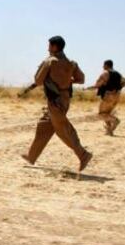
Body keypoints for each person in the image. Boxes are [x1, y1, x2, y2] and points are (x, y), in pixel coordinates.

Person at [19, 35, 92, 171]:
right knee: (44, 126)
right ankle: (31, 156)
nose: (48, 48)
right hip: (64, 98)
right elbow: (81, 79)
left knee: (63, 129)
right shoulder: (72, 63)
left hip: (54, 101)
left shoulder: (50, 61)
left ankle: (83, 155)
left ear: (55, 47)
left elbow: (38, 80)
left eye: (49, 46)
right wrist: (67, 80)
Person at [89, 59, 125, 135]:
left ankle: (116, 120)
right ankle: (109, 131)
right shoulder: (118, 74)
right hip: (117, 96)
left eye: (103, 65)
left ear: (106, 65)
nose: (102, 66)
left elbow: (97, 85)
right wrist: (118, 88)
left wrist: (89, 88)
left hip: (108, 96)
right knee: (107, 113)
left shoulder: (105, 73)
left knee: (101, 114)